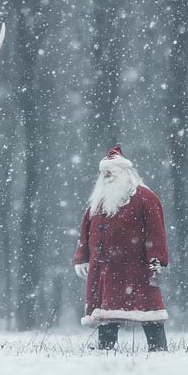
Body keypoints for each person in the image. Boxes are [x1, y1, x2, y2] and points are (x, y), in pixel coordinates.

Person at [72, 144, 170, 351]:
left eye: (111, 172)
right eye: (103, 173)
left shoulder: (146, 198)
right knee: (107, 313)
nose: (106, 176)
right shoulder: (97, 203)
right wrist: (82, 257)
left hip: (137, 267)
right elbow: (86, 232)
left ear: (125, 173)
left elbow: (156, 232)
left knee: (149, 311)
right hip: (105, 270)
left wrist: (156, 260)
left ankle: (158, 348)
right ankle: (105, 347)